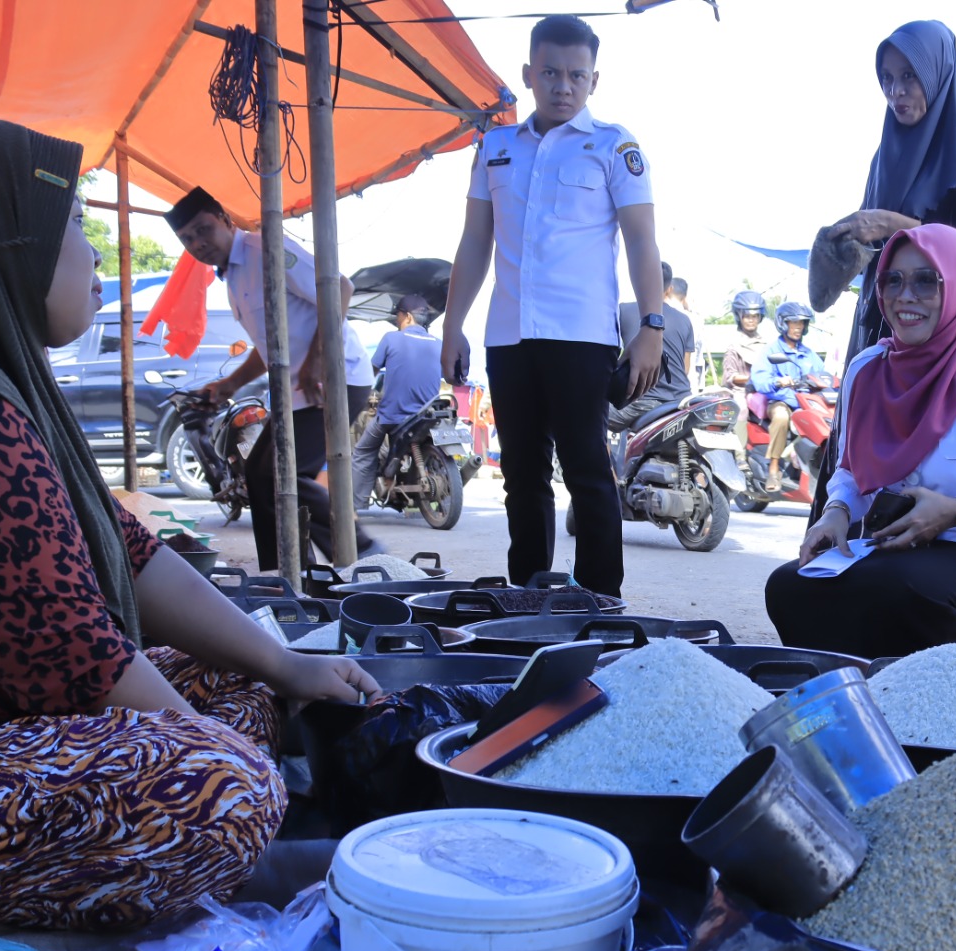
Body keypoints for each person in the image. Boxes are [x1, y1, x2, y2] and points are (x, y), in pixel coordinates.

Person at [0, 116, 381, 934]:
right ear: (3, 242)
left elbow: (133, 554)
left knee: (247, 678)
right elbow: (74, 664)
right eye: (74, 224)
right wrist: (221, 759)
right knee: (225, 786)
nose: (94, 257)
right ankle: (226, 853)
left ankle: (201, 843)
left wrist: (289, 666)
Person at [764, 225, 956, 659]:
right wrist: (837, 512)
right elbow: (851, 467)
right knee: (790, 587)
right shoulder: (868, 370)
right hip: (894, 549)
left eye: (927, 280)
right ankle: (854, 692)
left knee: (897, 590)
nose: (905, 296)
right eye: (893, 280)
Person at [441, 14, 664, 597]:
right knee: (521, 474)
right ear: (528, 74)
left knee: (587, 469)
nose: (563, 86)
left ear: (594, 80)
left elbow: (642, 240)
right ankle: (529, 595)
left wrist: (651, 325)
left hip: (582, 335)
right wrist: (453, 325)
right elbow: (474, 242)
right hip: (508, 335)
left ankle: (601, 601)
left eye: (576, 75)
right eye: (550, 73)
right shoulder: (495, 148)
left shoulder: (614, 145)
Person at [813, 18, 956, 521]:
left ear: (938, 75)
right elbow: (873, 240)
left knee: (917, 465)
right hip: (877, 328)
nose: (896, 92)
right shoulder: (886, 155)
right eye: (887, 79)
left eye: (909, 77)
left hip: (937, 342)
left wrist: (891, 225)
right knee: (855, 457)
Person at [167, 186, 377, 571]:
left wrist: (316, 360)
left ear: (225, 219)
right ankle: (288, 575)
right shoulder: (232, 277)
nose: (197, 244)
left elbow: (340, 288)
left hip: (336, 379)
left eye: (203, 229)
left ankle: (363, 554)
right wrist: (228, 385)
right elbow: (271, 344)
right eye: (187, 239)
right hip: (296, 390)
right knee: (260, 476)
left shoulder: (266, 249)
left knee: (284, 474)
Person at [351, 291, 444, 510]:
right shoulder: (439, 344)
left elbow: (370, 373)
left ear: (408, 317)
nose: (396, 322)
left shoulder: (391, 338)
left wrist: (359, 395)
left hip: (394, 416)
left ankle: (355, 505)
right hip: (428, 414)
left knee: (363, 451)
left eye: (398, 317)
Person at [749, 301, 826, 493]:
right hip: (780, 401)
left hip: (805, 403)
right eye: (794, 323)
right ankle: (774, 469)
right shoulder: (771, 351)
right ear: (783, 323)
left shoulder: (809, 354)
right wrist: (778, 381)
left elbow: (823, 374)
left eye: (802, 323)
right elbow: (759, 379)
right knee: (782, 416)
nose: (798, 327)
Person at [611, 260, 695, 431]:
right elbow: (685, 368)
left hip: (641, 402)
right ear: (669, 288)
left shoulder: (622, 311)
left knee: (590, 415)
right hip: (682, 399)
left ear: (638, 282)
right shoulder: (685, 319)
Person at [722, 290, 771, 443]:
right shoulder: (733, 345)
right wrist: (751, 379)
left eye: (755, 316)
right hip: (740, 390)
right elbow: (730, 376)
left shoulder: (767, 344)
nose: (751, 320)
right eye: (747, 316)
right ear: (739, 317)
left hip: (764, 389)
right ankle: (740, 452)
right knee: (741, 409)